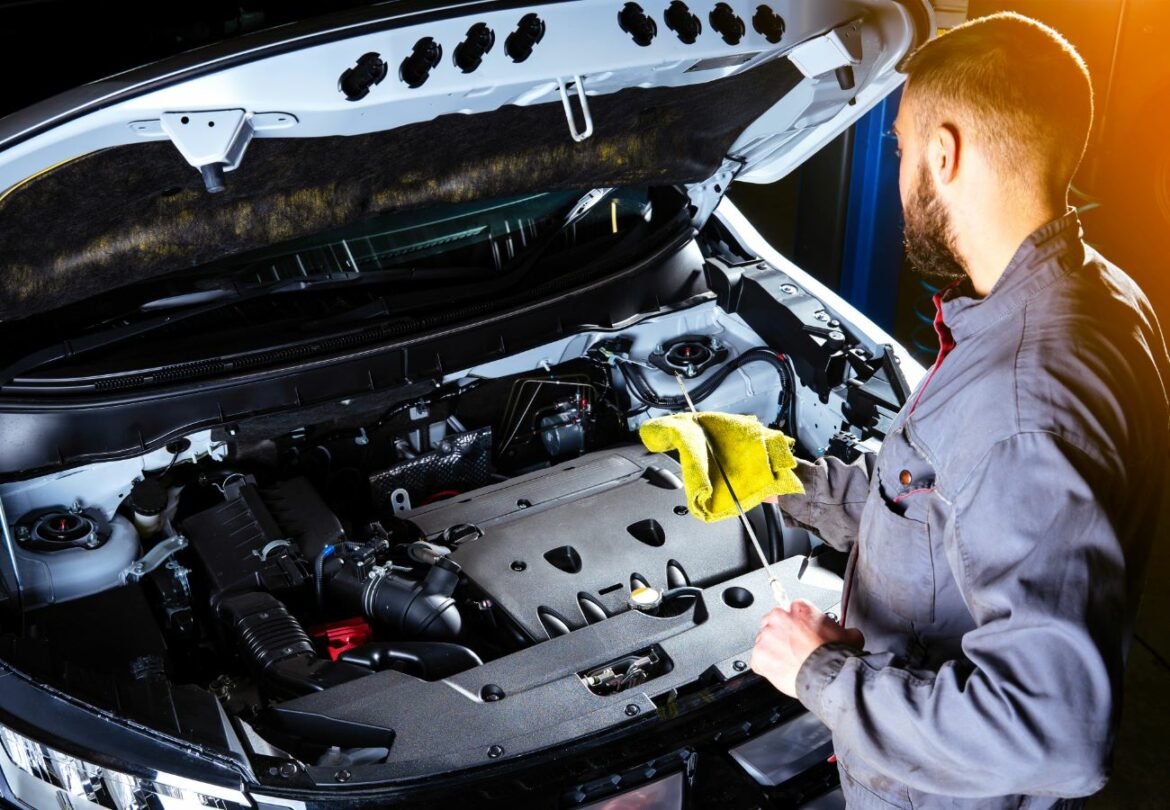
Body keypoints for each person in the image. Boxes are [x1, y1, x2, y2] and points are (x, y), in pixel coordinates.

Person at [749, 12, 1170, 809]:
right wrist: (783, 479)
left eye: (902, 149)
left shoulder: (1021, 400)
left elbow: (1051, 735)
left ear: (943, 152)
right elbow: (942, 509)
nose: (900, 171)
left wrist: (820, 672)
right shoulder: (1102, 296)